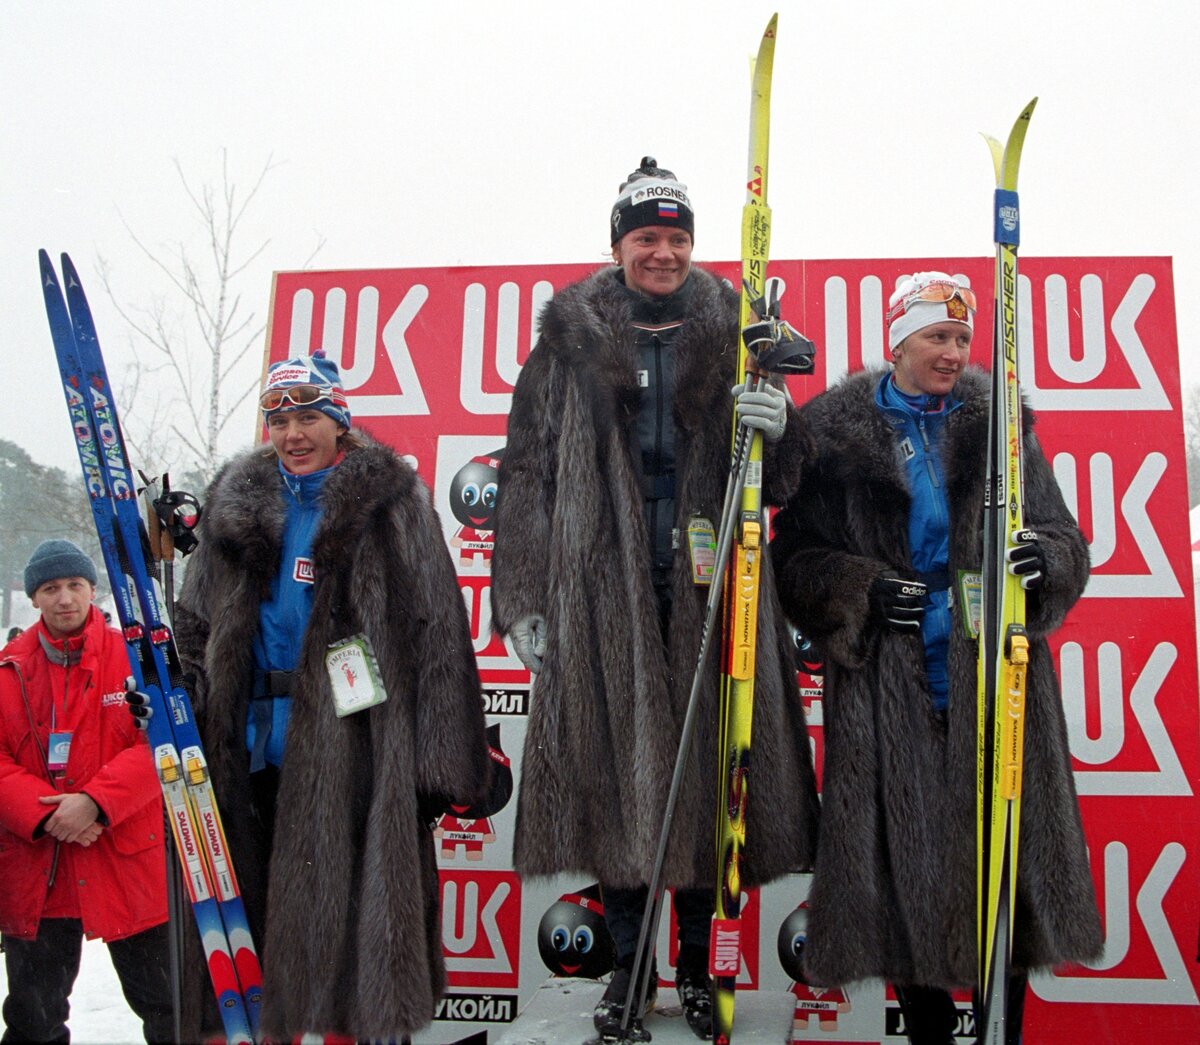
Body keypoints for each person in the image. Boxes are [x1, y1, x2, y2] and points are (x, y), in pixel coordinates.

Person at [491, 157, 819, 1041]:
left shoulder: (743, 335)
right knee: (618, 786)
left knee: (720, 779)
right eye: (647, 238)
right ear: (617, 246)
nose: (663, 252)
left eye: (677, 238)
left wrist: (777, 422)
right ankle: (628, 976)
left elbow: (786, 479)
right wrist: (523, 593)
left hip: (721, 589)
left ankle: (700, 970)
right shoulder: (565, 344)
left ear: (693, 246)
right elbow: (524, 472)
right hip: (605, 588)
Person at [769, 272, 1103, 1044]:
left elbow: (1067, 542)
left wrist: (1040, 560)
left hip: (998, 684)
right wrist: (860, 590)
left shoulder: (1001, 431)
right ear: (898, 342)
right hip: (889, 692)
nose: (953, 352)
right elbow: (793, 560)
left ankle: (1001, 1034)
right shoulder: (835, 436)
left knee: (1007, 881)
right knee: (902, 882)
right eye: (936, 337)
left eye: (961, 337)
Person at [156, 352, 492, 1042]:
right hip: (245, 754)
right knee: (247, 938)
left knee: (346, 949)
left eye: (308, 416)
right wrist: (174, 695)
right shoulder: (233, 504)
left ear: (340, 421)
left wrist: (438, 764)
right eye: (280, 419)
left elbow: (437, 634)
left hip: (356, 752)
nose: (293, 433)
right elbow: (195, 624)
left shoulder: (392, 505)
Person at [0, 539, 171, 1043]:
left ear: (93, 590)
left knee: (170, 1008)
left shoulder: (135, 657)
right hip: (39, 868)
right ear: (33, 598)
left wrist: (95, 802)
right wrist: (49, 813)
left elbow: (162, 741)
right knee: (33, 1019)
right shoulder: (8, 669)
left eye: (74, 585)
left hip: (124, 861)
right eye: (50, 588)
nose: (64, 598)